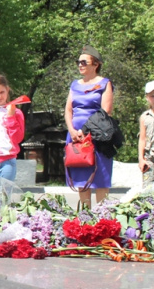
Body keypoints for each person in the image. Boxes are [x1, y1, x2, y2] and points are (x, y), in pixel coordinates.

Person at [64, 45, 114, 208]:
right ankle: (85, 217)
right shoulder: (74, 85)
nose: (80, 65)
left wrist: (84, 131)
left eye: (84, 62)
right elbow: (68, 110)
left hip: (97, 136)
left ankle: (102, 218)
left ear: (96, 64)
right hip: (75, 137)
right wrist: (72, 130)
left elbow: (105, 111)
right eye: (78, 62)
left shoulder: (104, 83)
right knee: (81, 178)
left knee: (100, 178)